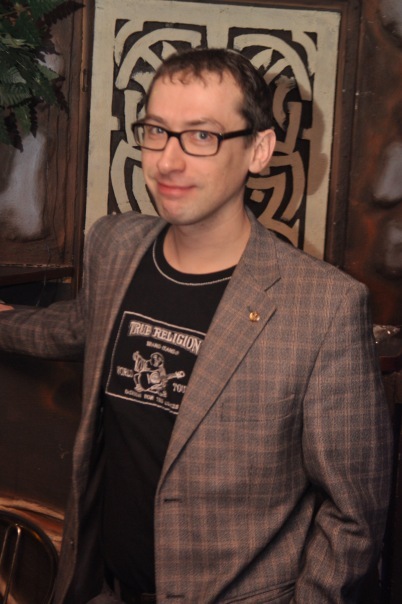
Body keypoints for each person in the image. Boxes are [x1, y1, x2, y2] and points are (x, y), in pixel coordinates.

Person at [0, 48, 393, 604]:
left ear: (259, 150)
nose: (168, 161)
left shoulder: (324, 308)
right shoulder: (116, 244)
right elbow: (82, 325)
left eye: (202, 136)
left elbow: (355, 513)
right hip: (103, 588)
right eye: (156, 131)